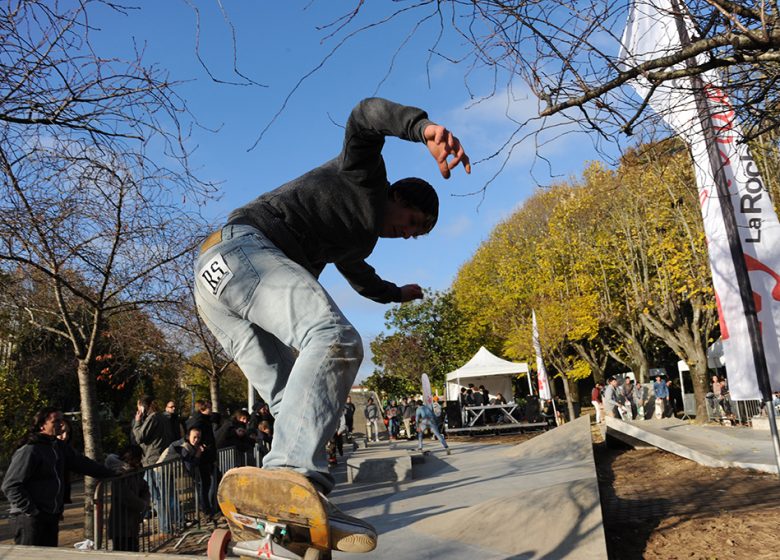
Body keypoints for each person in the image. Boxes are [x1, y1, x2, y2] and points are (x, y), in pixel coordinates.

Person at [193, 97, 469, 552]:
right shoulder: (365, 177)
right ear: (397, 196)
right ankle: (294, 479)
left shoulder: (357, 239)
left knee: (291, 399)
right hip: (244, 250)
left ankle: (274, 532)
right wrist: (422, 129)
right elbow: (364, 118)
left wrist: (395, 294)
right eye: (412, 221)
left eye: (416, 234)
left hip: (212, 279)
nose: (408, 232)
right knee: (335, 338)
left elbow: (360, 278)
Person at [1, 407, 114, 547]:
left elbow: (83, 464)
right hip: (29, 518)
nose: (61, 424)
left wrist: (112, 473)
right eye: (56, 421)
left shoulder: (59, 447)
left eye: (62, 420)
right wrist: (32, 510)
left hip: (50, 515)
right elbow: (11, 485)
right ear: (42, 425)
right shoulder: (30, 450)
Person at [105, 445, 151, 552]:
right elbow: (124, 495)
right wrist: (142, 505)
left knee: (133, 549)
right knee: (122, 550)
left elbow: (144, 487)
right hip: (120, 523)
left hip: (132, 521)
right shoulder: (118, 474)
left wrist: (145, 502)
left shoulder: (136, 471)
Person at [185, 400, 219, 516]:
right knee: (205, 484)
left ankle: (210, 506)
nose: (211, 410)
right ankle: (206, 508)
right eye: (209, 407)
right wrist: (200, 445)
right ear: (202, 409)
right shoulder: (197, 421)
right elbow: (192, 434)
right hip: (203, 457)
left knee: (210, 482)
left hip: (208, 455)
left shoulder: (205, 420)